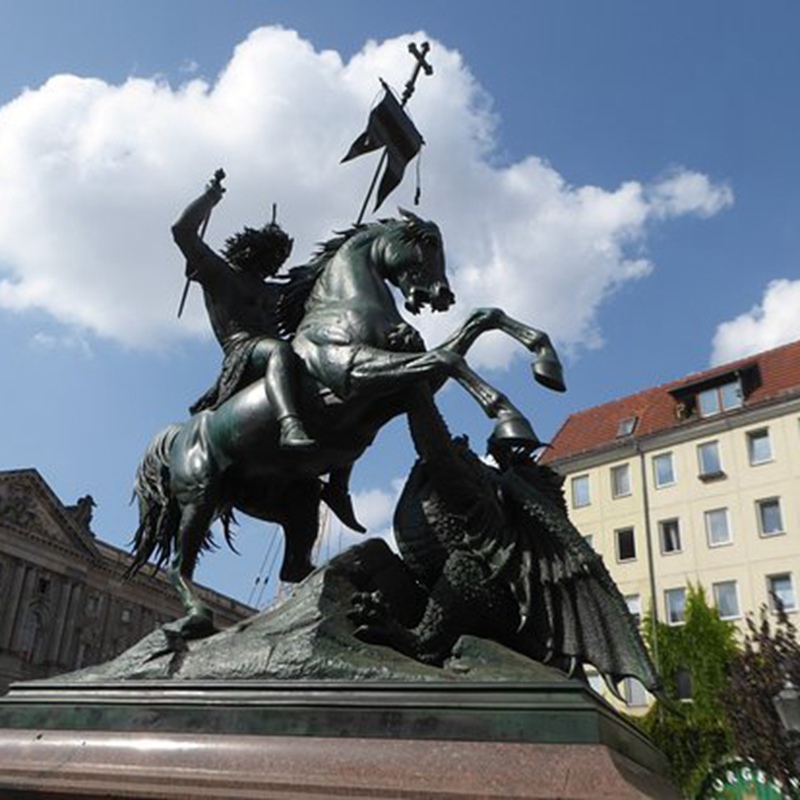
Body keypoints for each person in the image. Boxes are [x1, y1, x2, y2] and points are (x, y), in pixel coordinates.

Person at [172, 171, 316, 450]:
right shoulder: (221, 273)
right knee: (278, 350)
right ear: (251, 249)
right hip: (243, 352)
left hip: (278, 352)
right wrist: (209, 198)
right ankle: (290, 425)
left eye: (280, 260)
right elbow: (182, 231)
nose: (275, 265)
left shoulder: (275, 291)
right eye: (272, 256)